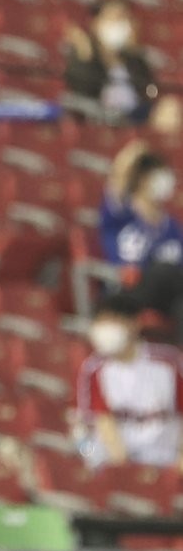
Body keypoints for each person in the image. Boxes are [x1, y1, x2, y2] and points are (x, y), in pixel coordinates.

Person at [77, 293, 183, 470]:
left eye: (114, 321)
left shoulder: (168, 361)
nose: (106, 329)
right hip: (115, 458)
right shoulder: (93, 368)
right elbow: (102, 421)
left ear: (134, 323)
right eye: (102, 322)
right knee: (85, 449)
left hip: (165, 456)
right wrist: (123, 470)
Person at [63, 0, 179, 127]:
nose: (119, 23)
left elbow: (149, 92)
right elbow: (81, 91)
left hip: (135, 117)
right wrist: (85, 54)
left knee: (169, 108)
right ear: (95, 23)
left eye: (124, 18)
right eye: (113, 17)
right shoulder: (84, 54)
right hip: (99, 116)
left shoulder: (135, 59)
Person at [99, 151, 183, 272]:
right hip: (130, 287)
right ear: (143, 180)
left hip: (168, 288)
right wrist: (132, 154)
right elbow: (116, 181)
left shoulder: (172, 226)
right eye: (158, 175)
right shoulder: (120, 216)